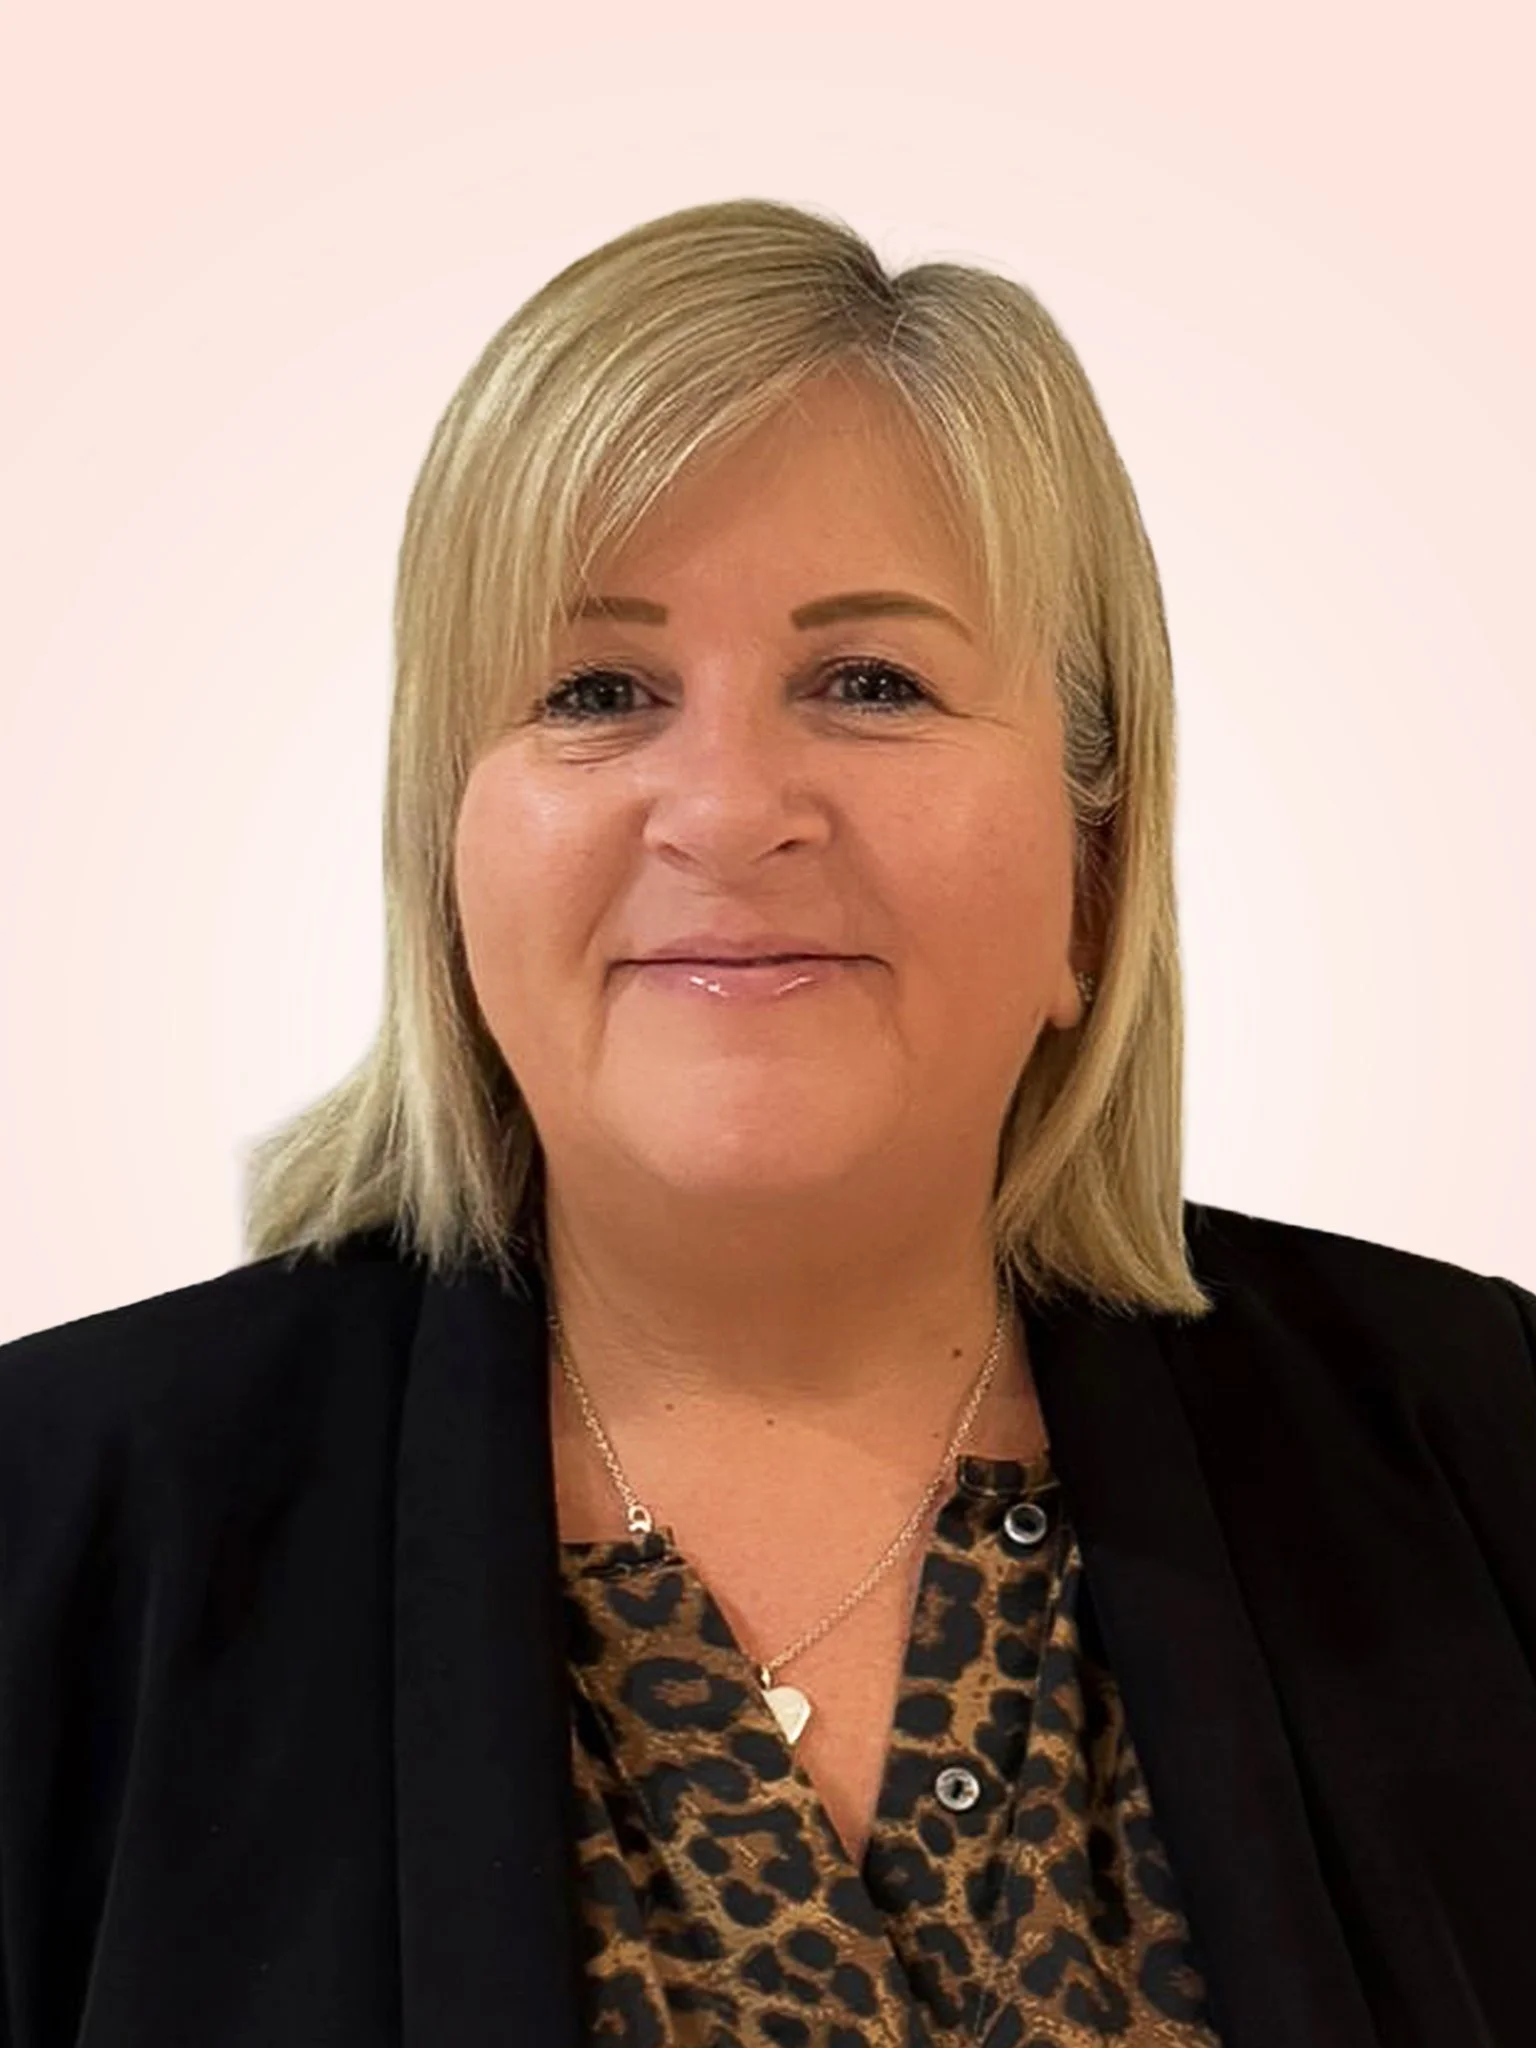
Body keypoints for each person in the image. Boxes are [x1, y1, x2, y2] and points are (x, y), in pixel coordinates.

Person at [0, 197, 1532, 2048]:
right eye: (598, 693)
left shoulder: (1482, 1448)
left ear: (1092, 866)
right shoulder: (56, 1531)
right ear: (445, 855)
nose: (727, 810)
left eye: (870, 682)